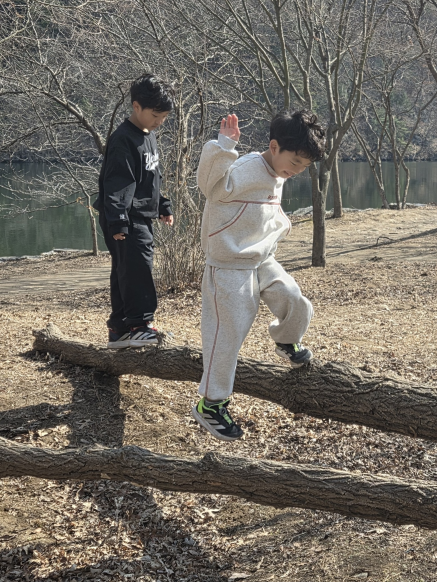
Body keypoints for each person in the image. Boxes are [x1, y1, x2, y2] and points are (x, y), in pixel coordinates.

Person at [192, 110, 326, 441]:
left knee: (294, 298)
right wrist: (224, 147)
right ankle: (211, 404)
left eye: (304, 166)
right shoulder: (245, 168)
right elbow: (209, 186)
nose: (297, 171)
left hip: (261, 258)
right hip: (228, 265)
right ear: (274, 147)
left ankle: (286, 340)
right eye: (295, 162)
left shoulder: (279, 171)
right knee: (228, 333)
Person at [94, 73, 175, 349]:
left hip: (139, 215)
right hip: (125, 218)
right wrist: (118, 221)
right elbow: (117, 182)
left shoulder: (148, 136)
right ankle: (139, 325)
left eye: (164, 117)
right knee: (139, 269)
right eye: (155, 115)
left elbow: (152, 177)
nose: (159, 121)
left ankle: (119, 330)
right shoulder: (123, 139)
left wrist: (162, 204)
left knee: (125, 270)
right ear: (136, 106)